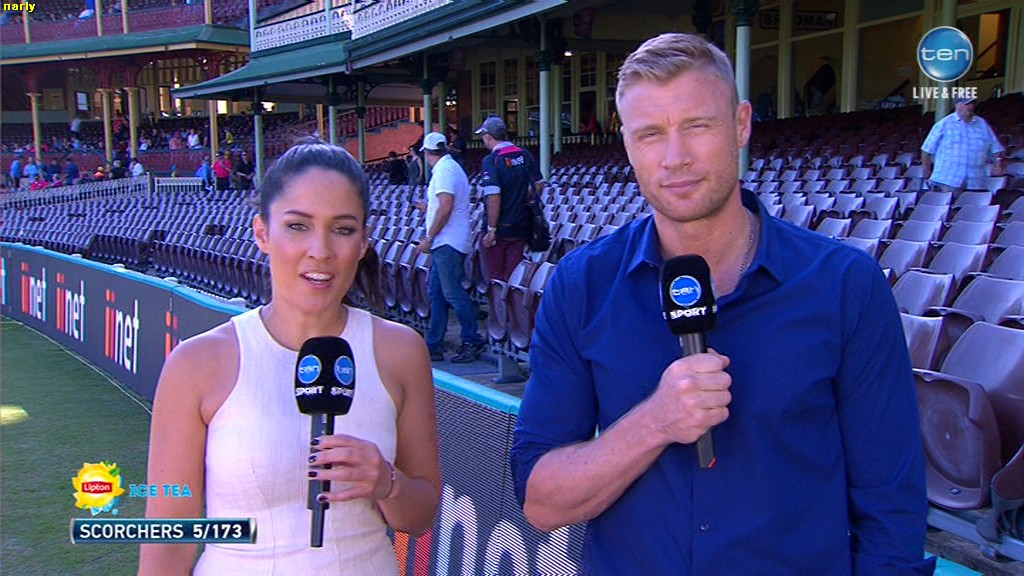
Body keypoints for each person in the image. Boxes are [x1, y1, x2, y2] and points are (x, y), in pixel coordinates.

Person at [511, 33, 933, 575]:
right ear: (628, 145)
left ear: (741, 124)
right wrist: (655, 421)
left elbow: (891, 511)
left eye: (697, 126)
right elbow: (542, 502)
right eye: (650, 134)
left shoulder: (845, 285)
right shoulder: (582, 284)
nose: (675, 158)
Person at [139, 138, 441, 575]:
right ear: (262, 233)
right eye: (298, 225)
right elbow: (167, 538)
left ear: (363, 242)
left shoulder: (401, 351)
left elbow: (422, 515)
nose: (320, 250)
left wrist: (387, 483)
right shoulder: (195, 364)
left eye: (342, 229)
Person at [415, 132, 485, 364]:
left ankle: (471, 338)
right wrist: (430, 208)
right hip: (448, 240)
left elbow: (446, 205)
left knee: (451, 292)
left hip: (447, 241)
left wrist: (429, 237)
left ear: (427, 153)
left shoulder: (445, 171)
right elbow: (445, 204)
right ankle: (434, 343)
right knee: (437, 292)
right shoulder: (450, 168)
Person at [475, 116, 544, 282]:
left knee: (496, 279)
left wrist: (491, 229)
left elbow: (494, 196)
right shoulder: (523, 154)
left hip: (499, 227)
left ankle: (498, 300)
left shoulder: (491, 160)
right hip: (520, 224)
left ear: (487, 137)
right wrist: (523, 200)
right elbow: (539, 184)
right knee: (513, 277)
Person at [922, 96, 1005, 192]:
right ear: (957, 105)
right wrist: (926, 171)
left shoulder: (982, 124)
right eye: (966, 104)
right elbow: (926, 150)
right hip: (947, 179)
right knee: (947, 201)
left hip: (976, 181)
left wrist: (997, 165)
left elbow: (996, 149)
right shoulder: (944, 124)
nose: (970, 107)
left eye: (972, 103)